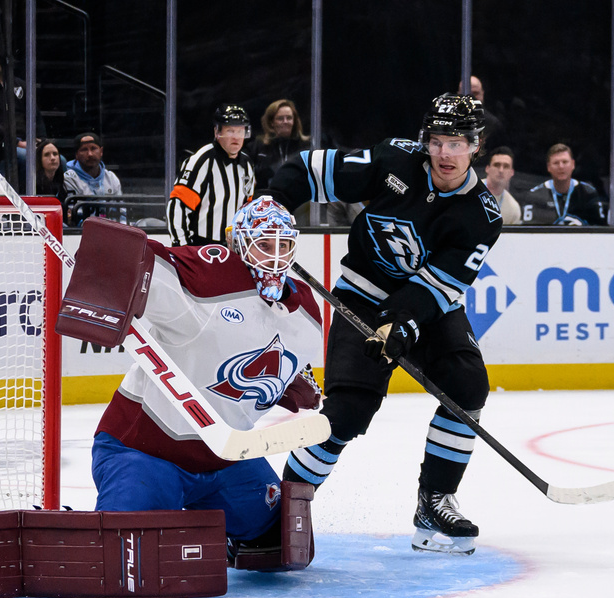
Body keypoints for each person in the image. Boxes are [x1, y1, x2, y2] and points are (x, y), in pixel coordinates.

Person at [267, 93, 503, 555]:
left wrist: (401, 326)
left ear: (476, 146)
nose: (445, 154)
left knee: (467, 384)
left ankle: (434, 501)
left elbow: (437, 289)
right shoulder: (395, 160)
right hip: (363, 296)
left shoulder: (481, 215)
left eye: (457, 143)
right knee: (347, 413)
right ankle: (285, 508)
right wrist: (276, 206)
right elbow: (307, 170)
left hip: (426, 307)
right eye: (437, 142)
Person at [84, 197, 324, 564]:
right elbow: (144, 264)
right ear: (237, 244)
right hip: (144, 452)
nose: (274, 257)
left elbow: (247, 367)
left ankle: (222, 530)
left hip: (224, 460)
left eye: (283, 245)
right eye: (263, 245)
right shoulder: (209, 279)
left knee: (283, 549)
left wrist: (286, 386)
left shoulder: (305, 312)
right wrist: (113, 249)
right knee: (124, 556)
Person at [167, 104, 255, 246]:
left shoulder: (247, 164)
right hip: (202, 246)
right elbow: (178, 206)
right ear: (217, 132)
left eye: (240, 131)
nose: (236, 137)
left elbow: (247, 209)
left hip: (235, 247)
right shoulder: (202, 161)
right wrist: (182, 248)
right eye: (230, 131)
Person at [0, 37, 46, 181]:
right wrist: (17, 142)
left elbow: (36, 116)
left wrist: (42, 141)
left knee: (59, 159)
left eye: (4, 55)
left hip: (27, 143)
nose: (0, 59)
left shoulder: (20, 84)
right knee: (27, 158)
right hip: (0, 144)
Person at [521, 143, 605, 225]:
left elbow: (601, 229)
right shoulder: (535, 196)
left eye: (565, 162)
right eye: (556, 163)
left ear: (573, 164)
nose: (561, 166)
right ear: (548, 167)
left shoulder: (588, 193)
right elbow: (529, 232)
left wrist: (581, 227)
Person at [249, 99, 310, 191]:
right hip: (266, 199)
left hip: (299, 199)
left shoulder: (306, 146)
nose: (285, 121)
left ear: (294, 121)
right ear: (271, 122)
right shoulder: (258, 146)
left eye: (289, 118)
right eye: (280, 118)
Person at [63, 132, 124, 225]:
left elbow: (122, 214)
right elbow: (73, 216)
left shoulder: (111, 177)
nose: (90, 154)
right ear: (77, 155)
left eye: (93, 148)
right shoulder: (69, 178)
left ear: (101, 151)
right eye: (84, 150)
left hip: (111, 230)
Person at [482, 146, 521, 225]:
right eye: (497, 165)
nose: (501, 170)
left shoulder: (513, 208)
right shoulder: (471, 191)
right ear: (487, 168)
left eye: (506, 166)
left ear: (511, 172)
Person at [35, 138, 66, 203]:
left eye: (55, 154)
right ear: (39, 160)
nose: (52, 158)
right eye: (47, 155)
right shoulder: (33, 185)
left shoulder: (64, 183)